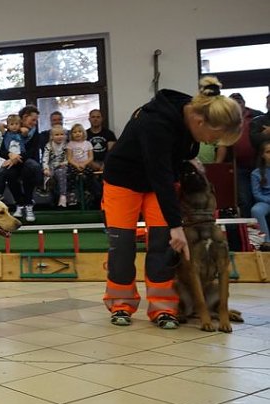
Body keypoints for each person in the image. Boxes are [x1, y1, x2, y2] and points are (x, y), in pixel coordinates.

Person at [102, 78, 242, 330]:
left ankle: (163, 307)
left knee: (164, 244)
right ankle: (120, 304)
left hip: (160, 182)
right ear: (200, 122)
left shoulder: (191, 114)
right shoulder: (155, 123)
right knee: (122, 246)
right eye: (214, 137)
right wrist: (176, 224)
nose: (212, 143)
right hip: (123, 181)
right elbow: (160, 176)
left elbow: (176, 162)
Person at [0, 105, 43, 222]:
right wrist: (10, 155)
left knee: (29, 171)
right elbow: (2, 151)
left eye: (36, 120)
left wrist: (17, 157)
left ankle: (29, 204)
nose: (35, 123)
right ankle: (19, 203)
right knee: (8, 174)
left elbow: (32, 151)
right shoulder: (10, 132)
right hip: (13, 162)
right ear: (24, 117)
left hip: (26, 162)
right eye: (33, 120)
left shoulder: (34, 133)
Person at [66, 123, 95, 207]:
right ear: (71, 134)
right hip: (74, 165)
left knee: (90, 174)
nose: (77, 133)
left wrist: (83, 164)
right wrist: (76, 165)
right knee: (70, 174)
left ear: (83, 133)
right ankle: (72, 194)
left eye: (79, 131)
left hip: (85, 165)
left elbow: (91, 157)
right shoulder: (70, 144)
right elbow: (69, 158)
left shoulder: (88, 144)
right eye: (74, 132)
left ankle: (89, 192)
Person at [41, 125, 69, 207]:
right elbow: (45, 159)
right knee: (49, 176)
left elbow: (69, 158)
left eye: (61, 134)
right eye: (57, 135)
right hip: (51, 167)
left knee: (61, 173)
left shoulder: (66, 145)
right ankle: (50, 195)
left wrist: (64, 163)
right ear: (52, 136)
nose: (59, 137)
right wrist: (45, 168)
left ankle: (63, 195)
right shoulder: (49, 145)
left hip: (62, 166)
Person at [250, 140, 270, 252]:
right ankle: (266, 241)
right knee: (256, 210)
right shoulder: (256, 173)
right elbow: (257, 194)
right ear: (262, 155)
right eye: (268, 152)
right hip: (265, 201)